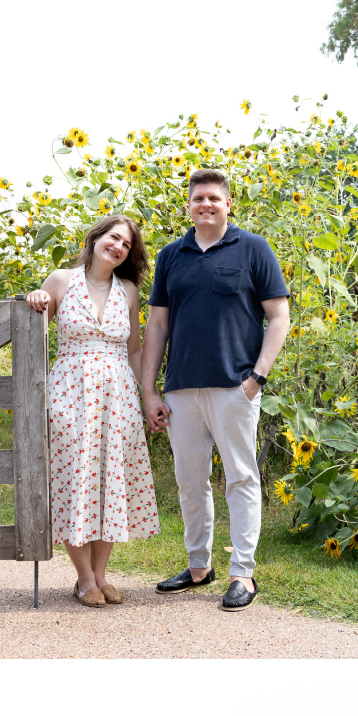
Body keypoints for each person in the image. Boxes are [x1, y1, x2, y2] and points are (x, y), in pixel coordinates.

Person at [140, 170, 290, 611]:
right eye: (198, 198)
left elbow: (278, 316)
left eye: (213, 198)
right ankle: (198, 567)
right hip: (181, 389)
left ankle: (242, 573)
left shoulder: (254, 249)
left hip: (234, 387)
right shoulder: (172, 255)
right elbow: (158, 325)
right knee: (190, 482)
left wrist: (257, 378)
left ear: (228, 204)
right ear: (188, 206)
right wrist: (150, 390)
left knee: (241, 478)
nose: (205, 204)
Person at [27, 215, 159, 607]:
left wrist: (148, 395)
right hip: (71, 394)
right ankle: (84, 579)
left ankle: (101, 576)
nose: (118, 247)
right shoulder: (60, 280)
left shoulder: (129, 290)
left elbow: (134, 350)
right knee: (75, 481)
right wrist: (35, 297)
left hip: (118, 399)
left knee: (109, 484)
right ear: (96, 237)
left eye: (126, 245)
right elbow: (34, 332)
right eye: (113, 237)